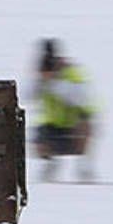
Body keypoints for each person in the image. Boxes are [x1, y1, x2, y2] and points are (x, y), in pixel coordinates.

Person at [32, 39, 96, 181]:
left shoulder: (71, 72)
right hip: (52, 125)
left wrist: (55, 84)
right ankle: (49, 164)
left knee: (85, 122)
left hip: (74, 126)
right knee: (37, 133)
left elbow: (81, 97)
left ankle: (84, 165)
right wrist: (39, 82)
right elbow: (27, 94)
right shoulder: (40, 75)